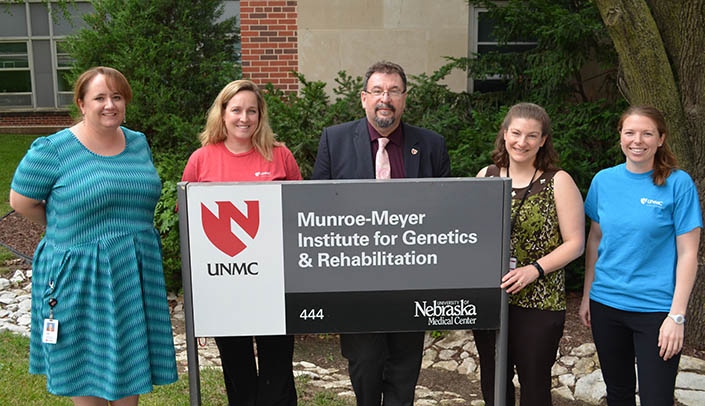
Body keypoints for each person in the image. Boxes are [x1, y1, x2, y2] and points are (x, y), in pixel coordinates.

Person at [9, 66, 178, 405]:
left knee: (129, 368)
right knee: (84, 367)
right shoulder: (52, 150)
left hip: (133, 272)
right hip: (80, 275)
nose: (110, 105)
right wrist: (68, 226)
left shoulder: (137, 142)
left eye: (117, 97)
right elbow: (21, 202)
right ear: (82, 104)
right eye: (99, 97)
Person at [311, 60, 451, 406]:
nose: (384, 98)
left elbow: (447, 212)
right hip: (357, 284)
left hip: (413, 280)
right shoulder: (335, 140)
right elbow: (317, 208)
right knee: (365, 369)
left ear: (405, 98)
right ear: (363, 98)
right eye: (377, 91)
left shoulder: (431, 145)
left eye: (393, 91)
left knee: (405, 374)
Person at [181, 79, 302, 405]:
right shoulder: (201, 160)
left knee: (278, 370)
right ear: (222, 114)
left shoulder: (280, 156)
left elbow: (300, 214)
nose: (244, 118)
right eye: (236, 110)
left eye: (252, 110)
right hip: (225, 284)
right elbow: (189, 222)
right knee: (238, 371)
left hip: (274, 284)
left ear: (261, 115)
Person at [579, 105, 701, 405]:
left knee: (656, 398)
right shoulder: (603, 181)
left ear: (660, 139)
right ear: (620, 136)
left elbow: (688, 254)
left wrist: (677, 315)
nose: (638, 140)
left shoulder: (678, 184)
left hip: (657, 311)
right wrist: (586, 295)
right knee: (618, 394)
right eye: (630, 132)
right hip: (606, 305)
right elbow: (596, 239)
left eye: (647, 133)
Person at [472, 102, 585, 405]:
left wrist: (532, 270)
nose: (522, 142)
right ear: (505, 134)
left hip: (539, 301)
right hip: (493, 298)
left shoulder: (558, 181)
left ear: (543, 140)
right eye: (516, 133)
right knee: (493, 382)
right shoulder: (487, 175)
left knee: (534, 383)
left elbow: (575, 243)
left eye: (532, 136)